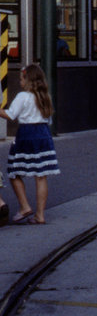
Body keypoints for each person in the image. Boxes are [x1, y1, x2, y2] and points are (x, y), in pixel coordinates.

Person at [1, 62, 61, 225]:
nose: (20, 82)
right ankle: (40, 215)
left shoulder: (23, 96)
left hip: (27, 135)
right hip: (43, 135)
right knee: (41, 176)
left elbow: (11, 114)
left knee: (14, 171)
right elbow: (48, 119)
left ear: (28, 80)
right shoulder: (45, 97)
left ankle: (24, 206)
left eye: (21, 79)